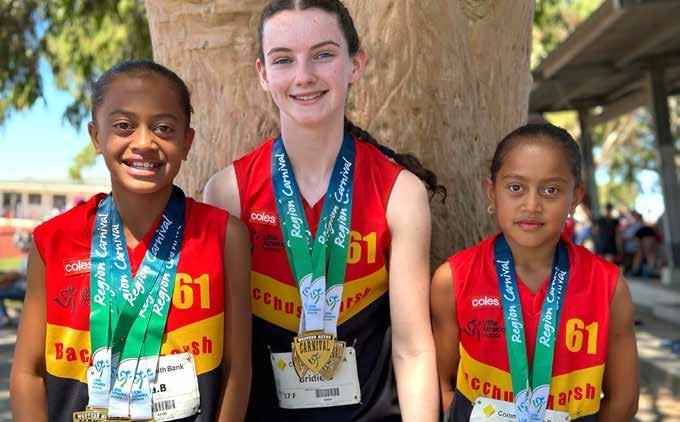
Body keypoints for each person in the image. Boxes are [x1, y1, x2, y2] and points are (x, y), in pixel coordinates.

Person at [204, 1, 441, 420]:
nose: (304, 76)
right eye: (283, 60)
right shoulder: (227, 192)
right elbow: (224, 355)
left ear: (356, 64)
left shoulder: (400, 192)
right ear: (263, 74)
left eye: (323, 54)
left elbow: (413, 350)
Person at [10, 60, 252, 422]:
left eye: (164, 128)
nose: (143, 143)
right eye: (124, 126)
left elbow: (237, 368)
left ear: (187, 142)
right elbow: (28, 373)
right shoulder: (53, 241)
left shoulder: (224, 236)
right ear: (96, 136)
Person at [431, 123, 639, 421]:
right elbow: (440, 383)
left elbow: (623, 400)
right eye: (515, 187)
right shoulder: (452, 280)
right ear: (491, 192)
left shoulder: (608, 286)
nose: (532, 205)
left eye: (551, 190)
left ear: (575, 197)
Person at [0, 231, 30, 327]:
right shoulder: (28, 256)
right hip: (23, 288)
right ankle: (4, 317)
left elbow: (27, 274)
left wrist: (15, 274)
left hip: (25, 290)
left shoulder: (31, 256)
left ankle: (4, 318)